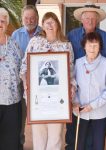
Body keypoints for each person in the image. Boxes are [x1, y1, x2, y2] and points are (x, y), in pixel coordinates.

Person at [20, 12, 75, 150]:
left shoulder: (66, 45)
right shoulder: (35, 42)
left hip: (58, 98)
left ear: (58, 24)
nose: (50, 25)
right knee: (39, 135)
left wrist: (71, 88)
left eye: (53, 22)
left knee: (56, 136)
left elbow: (71, 71)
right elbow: (24, 67)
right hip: (37, 97)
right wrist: (26, 82)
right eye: (47, 22)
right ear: (43, 25)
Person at [65, 2, 106, 150]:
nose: (90, 21)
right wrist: (74, 100)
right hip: (78, 102)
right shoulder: (71, 35)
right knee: (76, 139)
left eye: (93, 18)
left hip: (99, 100)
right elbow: (68, 67)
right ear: (81, 19)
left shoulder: (105, 37)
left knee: (97, 142)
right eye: (87, 18)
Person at [71, 32, 106, 150]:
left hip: (100, 112)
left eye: (95, 45)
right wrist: (75, 102)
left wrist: (92, 106)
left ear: (100, 47)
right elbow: (73, 85)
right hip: (80, 111)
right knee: (80, 145)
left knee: (98, 145)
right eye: (89, 45)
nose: (92, 48)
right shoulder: (79, 62)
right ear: (84, 46)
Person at [12, 5, 42, 149]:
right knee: (20, 116)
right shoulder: (16, 35)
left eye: (32, 18)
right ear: (22, 19)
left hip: (40, 84)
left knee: (41, 114)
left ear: (37, 18)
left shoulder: (44, 33)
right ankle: (20, 143)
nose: (29, 20)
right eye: (26, 18)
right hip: (20, 83)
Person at [0, 8, 23, 150]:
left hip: (12, 101)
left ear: (7, 24)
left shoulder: (14, 44)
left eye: (2, 21)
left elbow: (23, 68)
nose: (0, 24)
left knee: (11, 141)